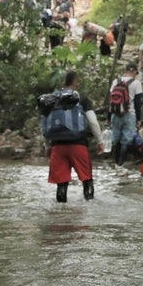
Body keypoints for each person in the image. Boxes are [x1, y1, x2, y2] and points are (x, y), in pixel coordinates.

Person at [46, 70, 105, 203]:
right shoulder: (82, 99)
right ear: (76, 83)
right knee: (87, 180)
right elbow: (93, 122)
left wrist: (47, 145)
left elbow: (45, 123)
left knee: (61, 184)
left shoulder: (53, 99)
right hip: (78, 145)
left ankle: (61, 212)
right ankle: (90, 207)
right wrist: (100, 141)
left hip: (57, 147)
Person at [109, 62, 143, 166]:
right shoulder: (137, 83)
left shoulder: (116, 81)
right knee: (126, 140)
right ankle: (120, 164)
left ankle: (115, 163)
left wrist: (108, 116)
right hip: (129, 114)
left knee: (116, 139)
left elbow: (111, 100)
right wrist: (139, 119)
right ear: (135, 72)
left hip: (115, 113)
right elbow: (138, 103)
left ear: (125, 71)